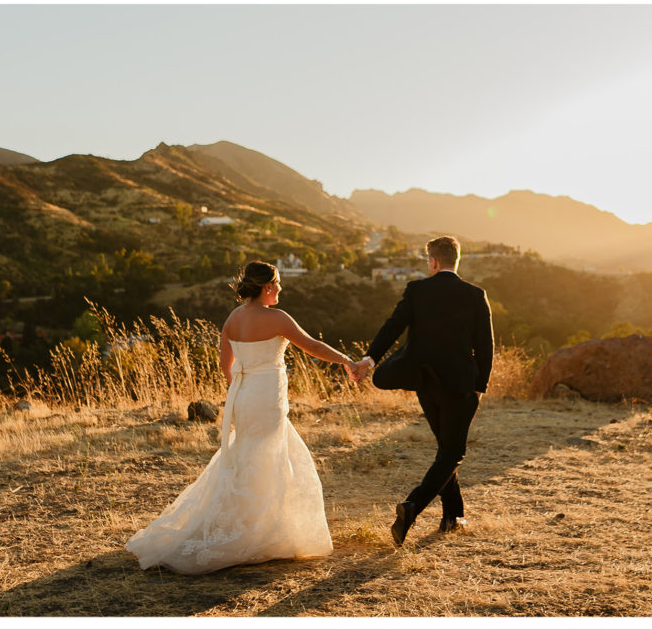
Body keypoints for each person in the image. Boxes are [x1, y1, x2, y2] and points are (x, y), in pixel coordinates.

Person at [125, 261, 356, 574]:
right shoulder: (278, 318)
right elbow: (312, 346)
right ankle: (264, 530)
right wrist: (346, 360)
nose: (280, 290)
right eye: (278, 284)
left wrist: (241, 389)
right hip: (267, 397)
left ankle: (253, 523)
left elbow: (225, 365)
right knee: (269, 454)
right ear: (268, 287)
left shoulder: (233, 318)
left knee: (247, 454)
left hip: (244, 395)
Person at [352, 236, 493, 546]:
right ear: (456, 261)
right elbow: (486, 347)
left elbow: (393, 326)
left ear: (432, 262)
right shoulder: (475, 295)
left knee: (446, 449)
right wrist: (479, 387)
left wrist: (369, 359)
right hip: (460, 386)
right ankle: (412, 507)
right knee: (453, 452)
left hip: (425, 384)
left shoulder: (417, 290)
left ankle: (453, 516)